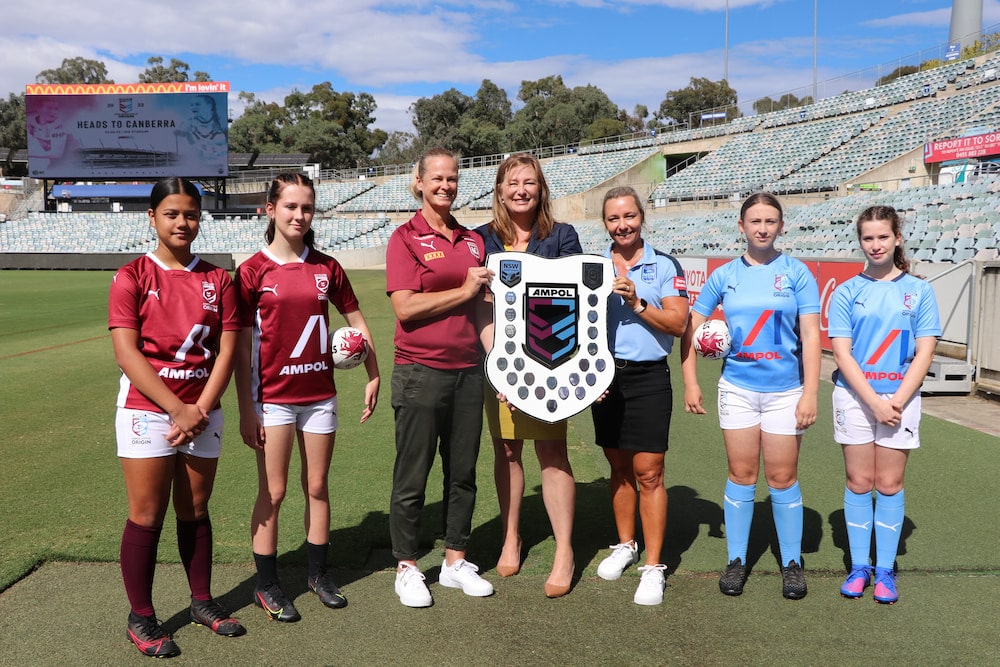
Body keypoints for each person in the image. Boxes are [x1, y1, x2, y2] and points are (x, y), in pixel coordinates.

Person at [234, 172, 380, 622]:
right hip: (273, 398)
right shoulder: (252, 271)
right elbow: (239, 346)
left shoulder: (327, 268)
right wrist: (244, 407)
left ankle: (318, 575)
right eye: (291, 206)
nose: (300, 215)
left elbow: (355, 318)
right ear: (270, 209)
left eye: (307, 207)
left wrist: (373, 373)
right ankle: (267, 584)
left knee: (317, 486)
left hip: (320, 396)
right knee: (273, 492)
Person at [109, 177, 244, 658]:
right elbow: (128, 354)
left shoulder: (218, 279)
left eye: (190, 213)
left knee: (195, 509)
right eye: (172, 213)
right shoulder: (132, 277)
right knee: (147, 514)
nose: (182, 222)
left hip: (204, 412)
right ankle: (141, 616)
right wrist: (178, 409)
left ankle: (202, 602)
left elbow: (227, 351)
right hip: (149, 413)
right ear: (152, 218)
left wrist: (200, 408)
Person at [680, 192, 821, 600]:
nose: (762, 228)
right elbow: (690, 328)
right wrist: (691, 380)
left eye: (770, 221)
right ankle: (737, 560)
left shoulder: (797, 273)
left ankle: (792, 563)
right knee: (742, 475)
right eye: (755, 221)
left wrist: (810, 392)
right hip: (738, 389)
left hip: (785, 392)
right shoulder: (724, 276)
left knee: (782, 477)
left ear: (781, 226)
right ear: (741, 227)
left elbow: (811, 335)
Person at [386, 147, 494, 608]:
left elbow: (483, 310)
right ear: (420, 182)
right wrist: (464, 289)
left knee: (463, 473)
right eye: (437, 178)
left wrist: (498, 366)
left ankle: (454, 561)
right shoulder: (403, 237)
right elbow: (406, 308)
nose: (446, 186)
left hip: (469, 372)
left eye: (452, 179)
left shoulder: (473, 241)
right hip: (419, 370)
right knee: (413, 474)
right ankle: (408, 567)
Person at [474, 153, 580, 598]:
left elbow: (579, 305)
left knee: (552, 452)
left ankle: (564, 551)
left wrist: (543, 367)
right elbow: (478, 306)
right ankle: (511, 535)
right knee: (508, 450)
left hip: (551, 364)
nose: (521, 190)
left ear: (541, 190)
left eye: (530, 183)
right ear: (499, 189)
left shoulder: (562, 237)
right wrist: (503, 370)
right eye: (512, 182)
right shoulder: (481, 239)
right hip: (499, 363)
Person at [828, 205, 940, 604]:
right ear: (861, 241)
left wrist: (895, 400)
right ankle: (860, 567)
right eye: (868, 238)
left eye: (882, 237)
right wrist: (874, 401)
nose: (875, 245)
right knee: (860, 482)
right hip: (856, 399)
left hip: (901, 400)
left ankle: (886, 572)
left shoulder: (920, 290)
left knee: (889, 485)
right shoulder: (846, 291)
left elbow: (925, 353)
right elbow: (842, 353)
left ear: (897, 238)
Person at [591, 186, 690, 606]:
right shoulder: (593, 265)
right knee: (618, 467)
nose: (622, 225)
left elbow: (678, 323)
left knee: (649, 471)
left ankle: (653, 567)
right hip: (604, 376)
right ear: (605, 223)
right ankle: (626, 545)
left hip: (649, 377)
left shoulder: (664, 264)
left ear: (641, 216)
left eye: (629, 216)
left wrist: (637, 301)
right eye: (614, 219)